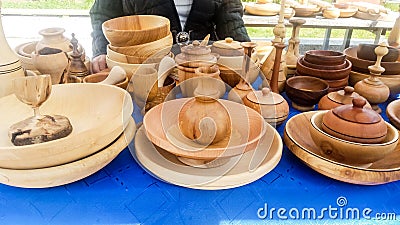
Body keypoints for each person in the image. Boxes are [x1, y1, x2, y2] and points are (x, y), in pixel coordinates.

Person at [89, 0, 251, 73]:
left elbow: (230, 16)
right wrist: (101, 50)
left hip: (203, 67)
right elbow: (103, 13)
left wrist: (243, 48)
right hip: (143, 68)